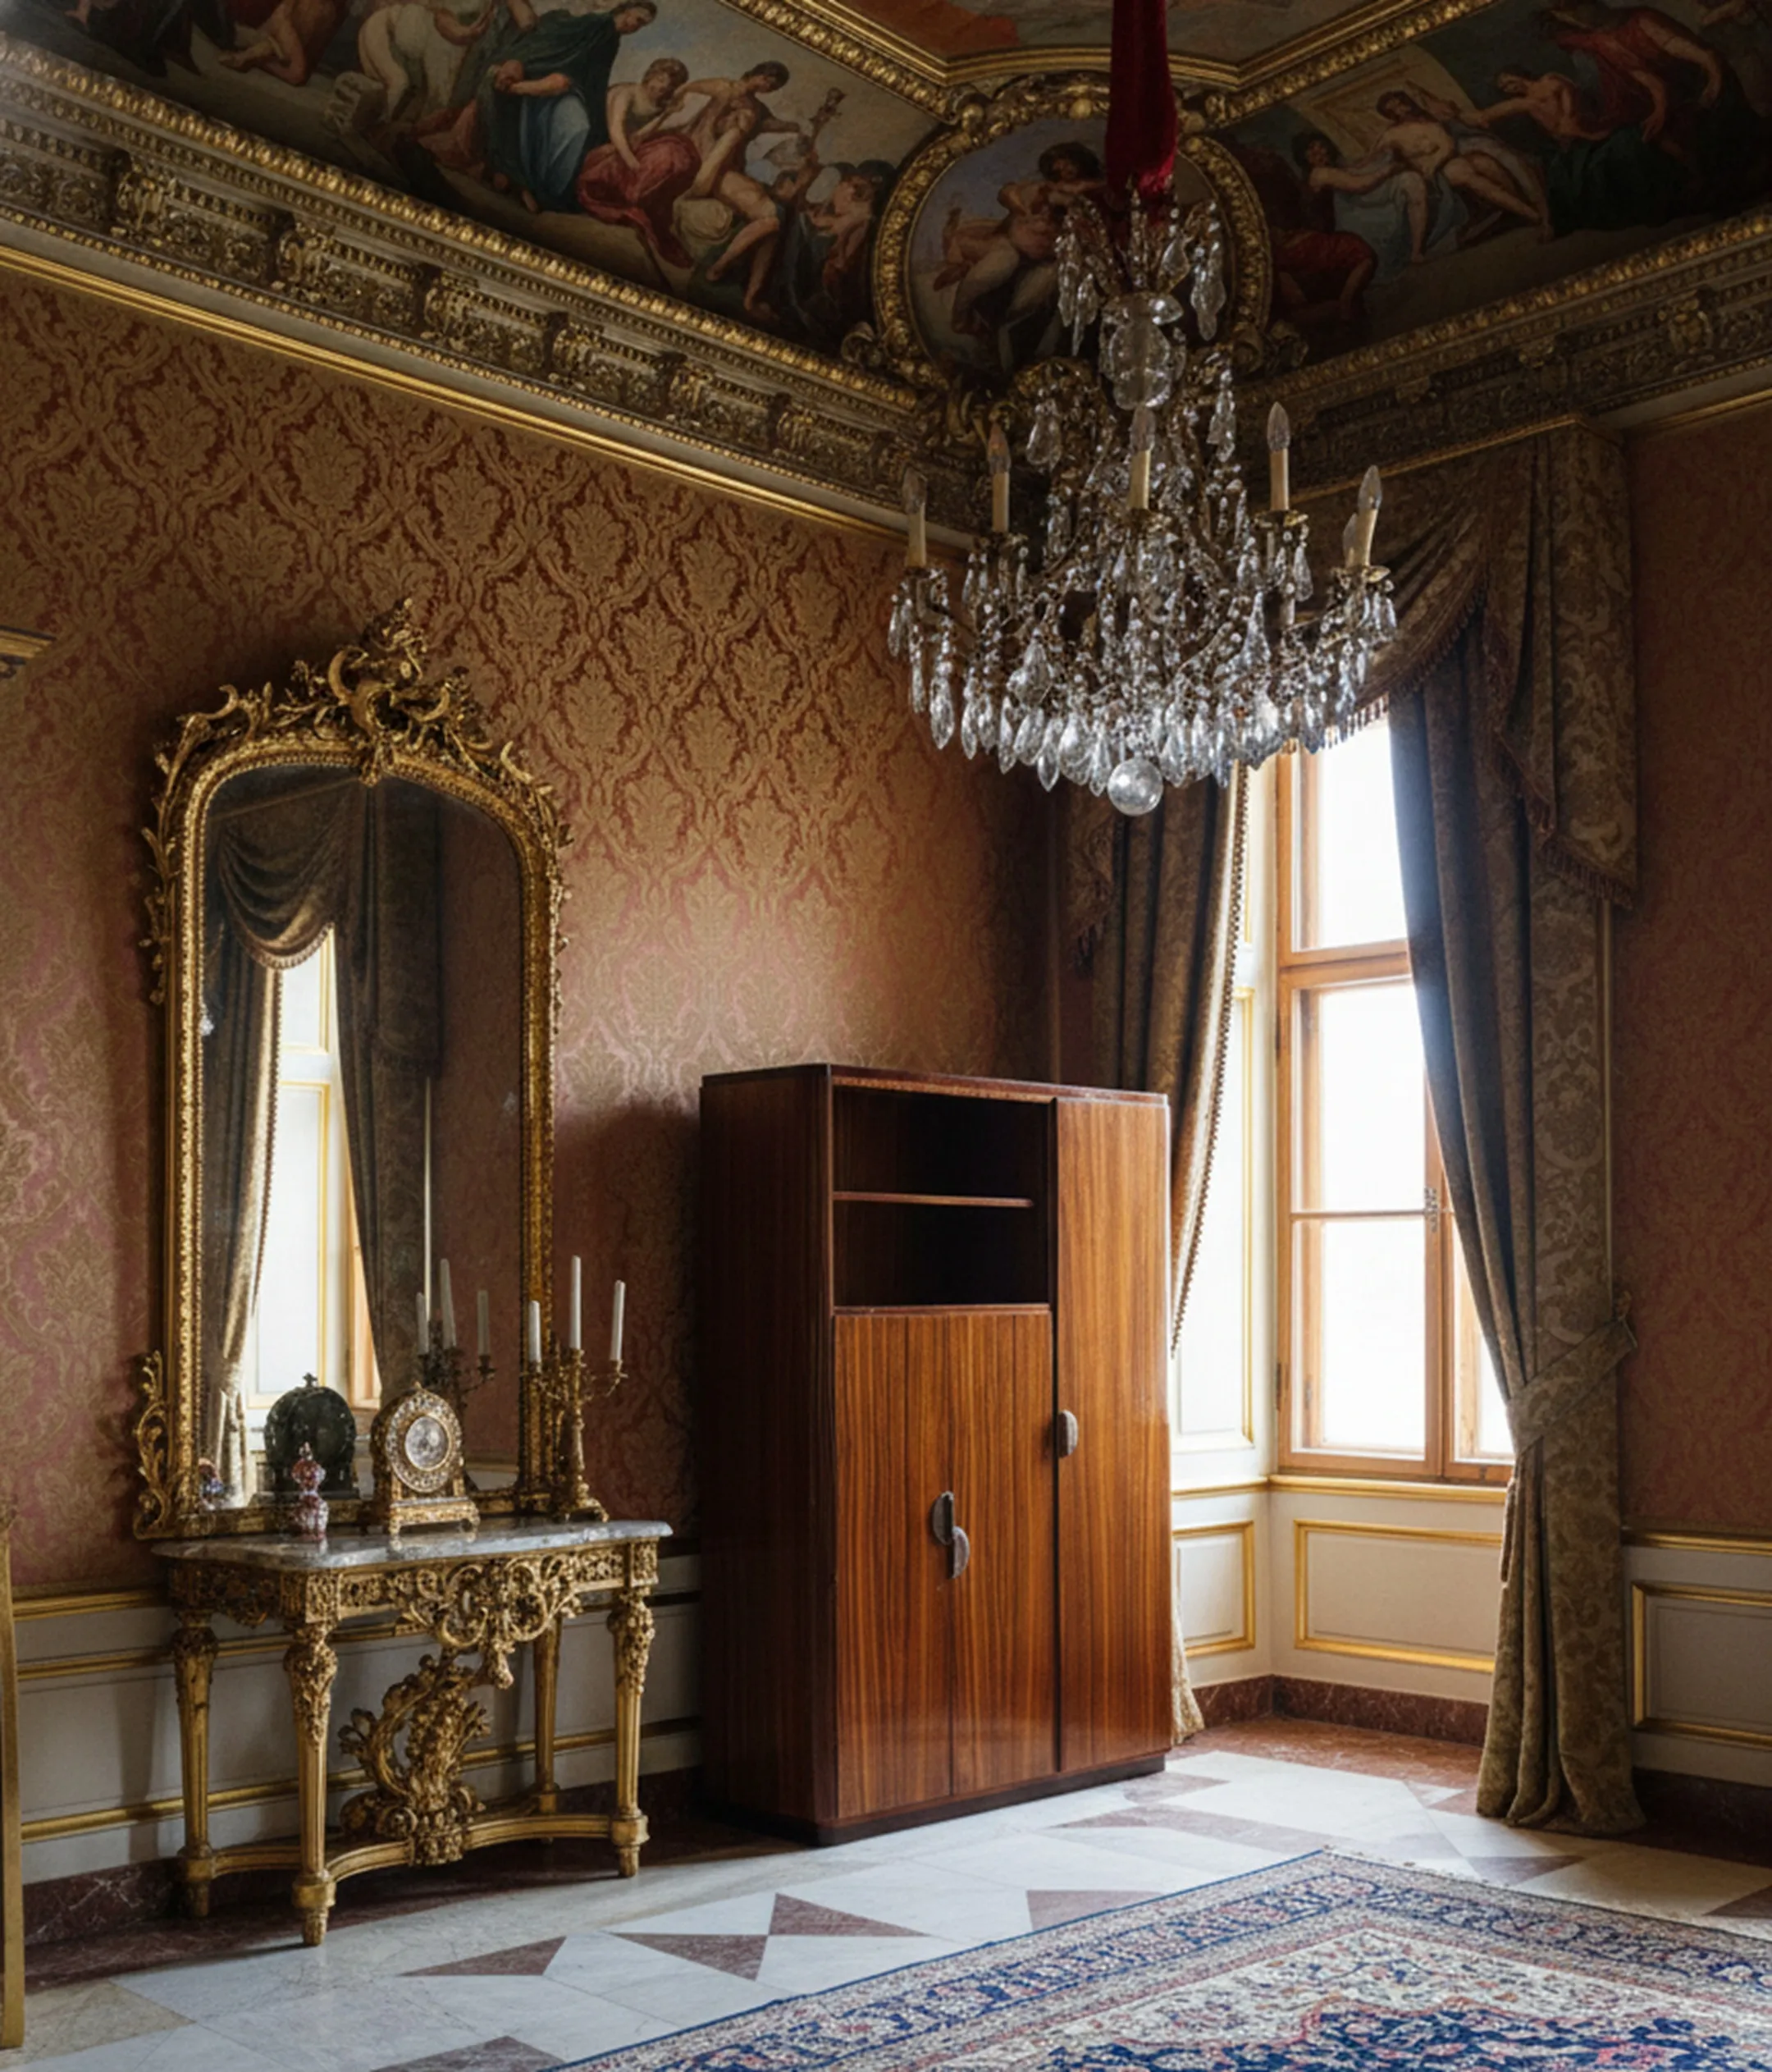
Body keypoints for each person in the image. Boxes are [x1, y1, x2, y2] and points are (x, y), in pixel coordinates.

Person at [415, 0, 656, 214]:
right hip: (540, 70)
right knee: (549, 90)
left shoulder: (611, 41)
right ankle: (518, 176)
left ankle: (540, 185)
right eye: (637, 18)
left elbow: (594, 79)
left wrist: (596, 120)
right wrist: (525, 65)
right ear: (626, 9)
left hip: (569, 88)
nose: (636, 25)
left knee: (579, 126)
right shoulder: (592, 23)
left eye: (642, 25)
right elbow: (549, 38)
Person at [1437, 68, 1686, 231]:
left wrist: (1569, 121)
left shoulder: (1550, 81)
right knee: (1565, 182)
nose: (1508, 87)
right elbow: (1482, 117)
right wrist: (1454, 113)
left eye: (1508, 81)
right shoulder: (1522, 103)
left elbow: (1571, 104)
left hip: (1590, 131)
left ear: (1517, 73)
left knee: (1621, 155)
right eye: (1503, 87)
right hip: (1570, 144)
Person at [934, 142, 1104, 369]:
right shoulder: (1040, 190)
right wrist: (1022, 207)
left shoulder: (1085, 200)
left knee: (1049, 286)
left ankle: (1024, 351)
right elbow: (1008, 193)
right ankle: (961, 315)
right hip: (1009, 246)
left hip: (1048, 259)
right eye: (1058, 167)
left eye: (1069, 167)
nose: (1063, 170)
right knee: (1002, 263)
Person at [1371, 88, 1552, 249]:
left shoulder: (1430, 112)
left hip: (1462, 144)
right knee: (1474, 171)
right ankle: (1527, 212)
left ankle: (1534, 209)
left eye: (1400, 104)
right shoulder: (1395, 133)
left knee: (1494, 161)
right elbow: (1376, 155)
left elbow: (1450, 134)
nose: (1400, 109)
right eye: (1393, 110)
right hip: (1447, 162)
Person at [576, 57, 700, 267]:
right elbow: (616, 131)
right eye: (660, 79)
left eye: (669, 85)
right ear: (650, 75)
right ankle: (630, 197)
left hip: (627, 150)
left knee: (677, 149)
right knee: (668, 148)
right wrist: (632, 162)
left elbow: (638, 137)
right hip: (603, 152)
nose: (662, 87)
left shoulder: (658, 105)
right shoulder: (627, 93)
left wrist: (665, 116)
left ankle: (639, 196)